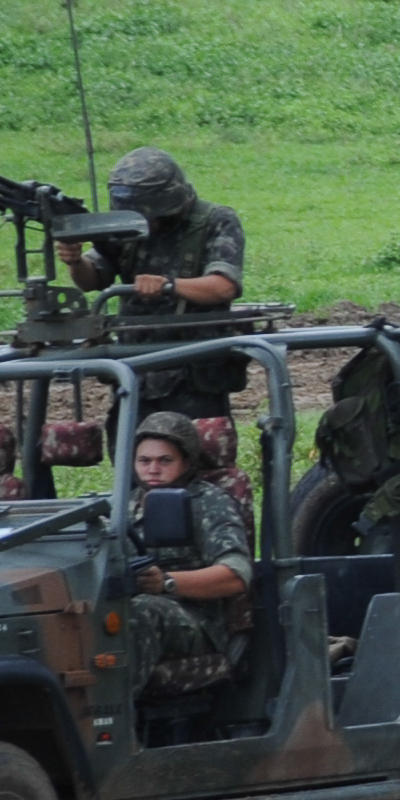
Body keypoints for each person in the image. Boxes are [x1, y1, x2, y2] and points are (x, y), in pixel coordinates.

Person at [64, 148, 248, 422]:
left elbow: (223, 286)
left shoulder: (215, 221)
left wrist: (168, 285)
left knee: (198, 455)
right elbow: (93, 279)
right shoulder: (126, 225)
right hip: (134, 369)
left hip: (192, 372)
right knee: (130, 454)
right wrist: (75, 261)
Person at [122, 411, 253, 697]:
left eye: (165, 460)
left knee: (140, 611)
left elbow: (236, 575)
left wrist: (167, 581)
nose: (152, 469)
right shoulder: (122, 506)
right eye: (144, 461)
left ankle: (111, 725)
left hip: (197, 621)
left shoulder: (209, 502)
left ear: (187, 462)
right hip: (125, 603)